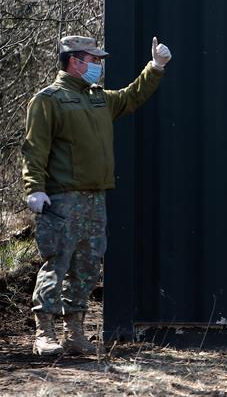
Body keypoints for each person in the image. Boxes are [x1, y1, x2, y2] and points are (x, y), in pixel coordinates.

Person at [21, 35, 172, 356]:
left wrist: (155, 67)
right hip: (61, 198)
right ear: (75, 61)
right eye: (94, 60)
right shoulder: (49, 100)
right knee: (57, 262)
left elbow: (132, 97)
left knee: (88, 265)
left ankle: (73, 332)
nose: (98, 66)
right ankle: (44, 334)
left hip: (95, 197)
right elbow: (34, 149)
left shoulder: (98, 98)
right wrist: (34, 188)